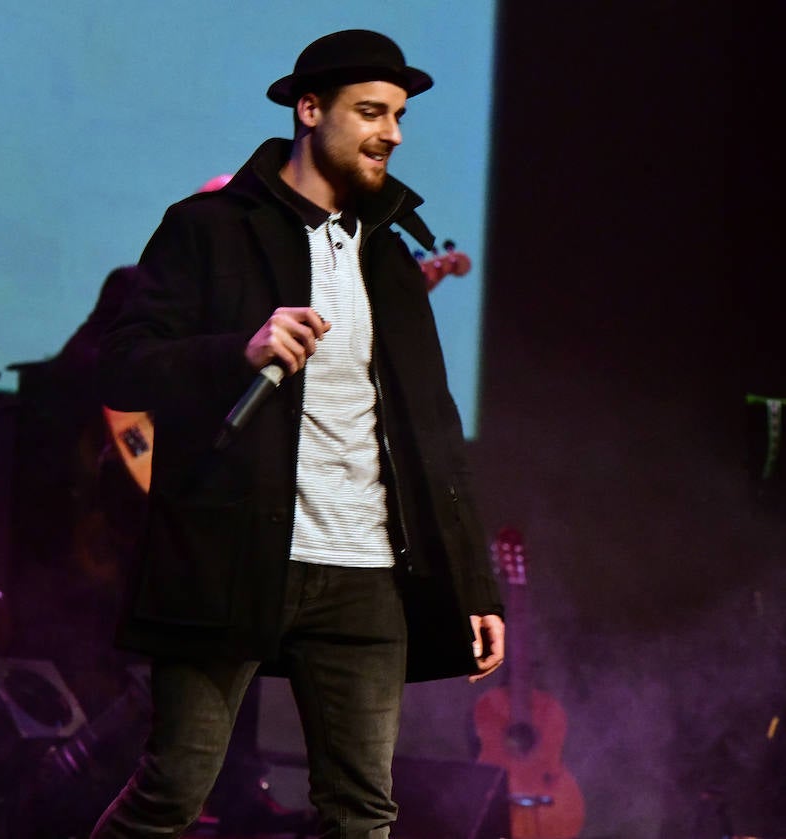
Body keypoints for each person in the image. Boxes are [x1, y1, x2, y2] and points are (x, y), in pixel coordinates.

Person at [89, 29, 505, 838]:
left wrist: (474, 583)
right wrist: (232, 351)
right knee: (173, 791)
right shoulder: (209, 228)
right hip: (232, 558)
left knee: (362, 813)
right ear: (309, 111)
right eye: (372, 112)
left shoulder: (389, 258)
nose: (393, 133)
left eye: (400, 116)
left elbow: (435, 434)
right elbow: (122, 368)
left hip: (364, 571)